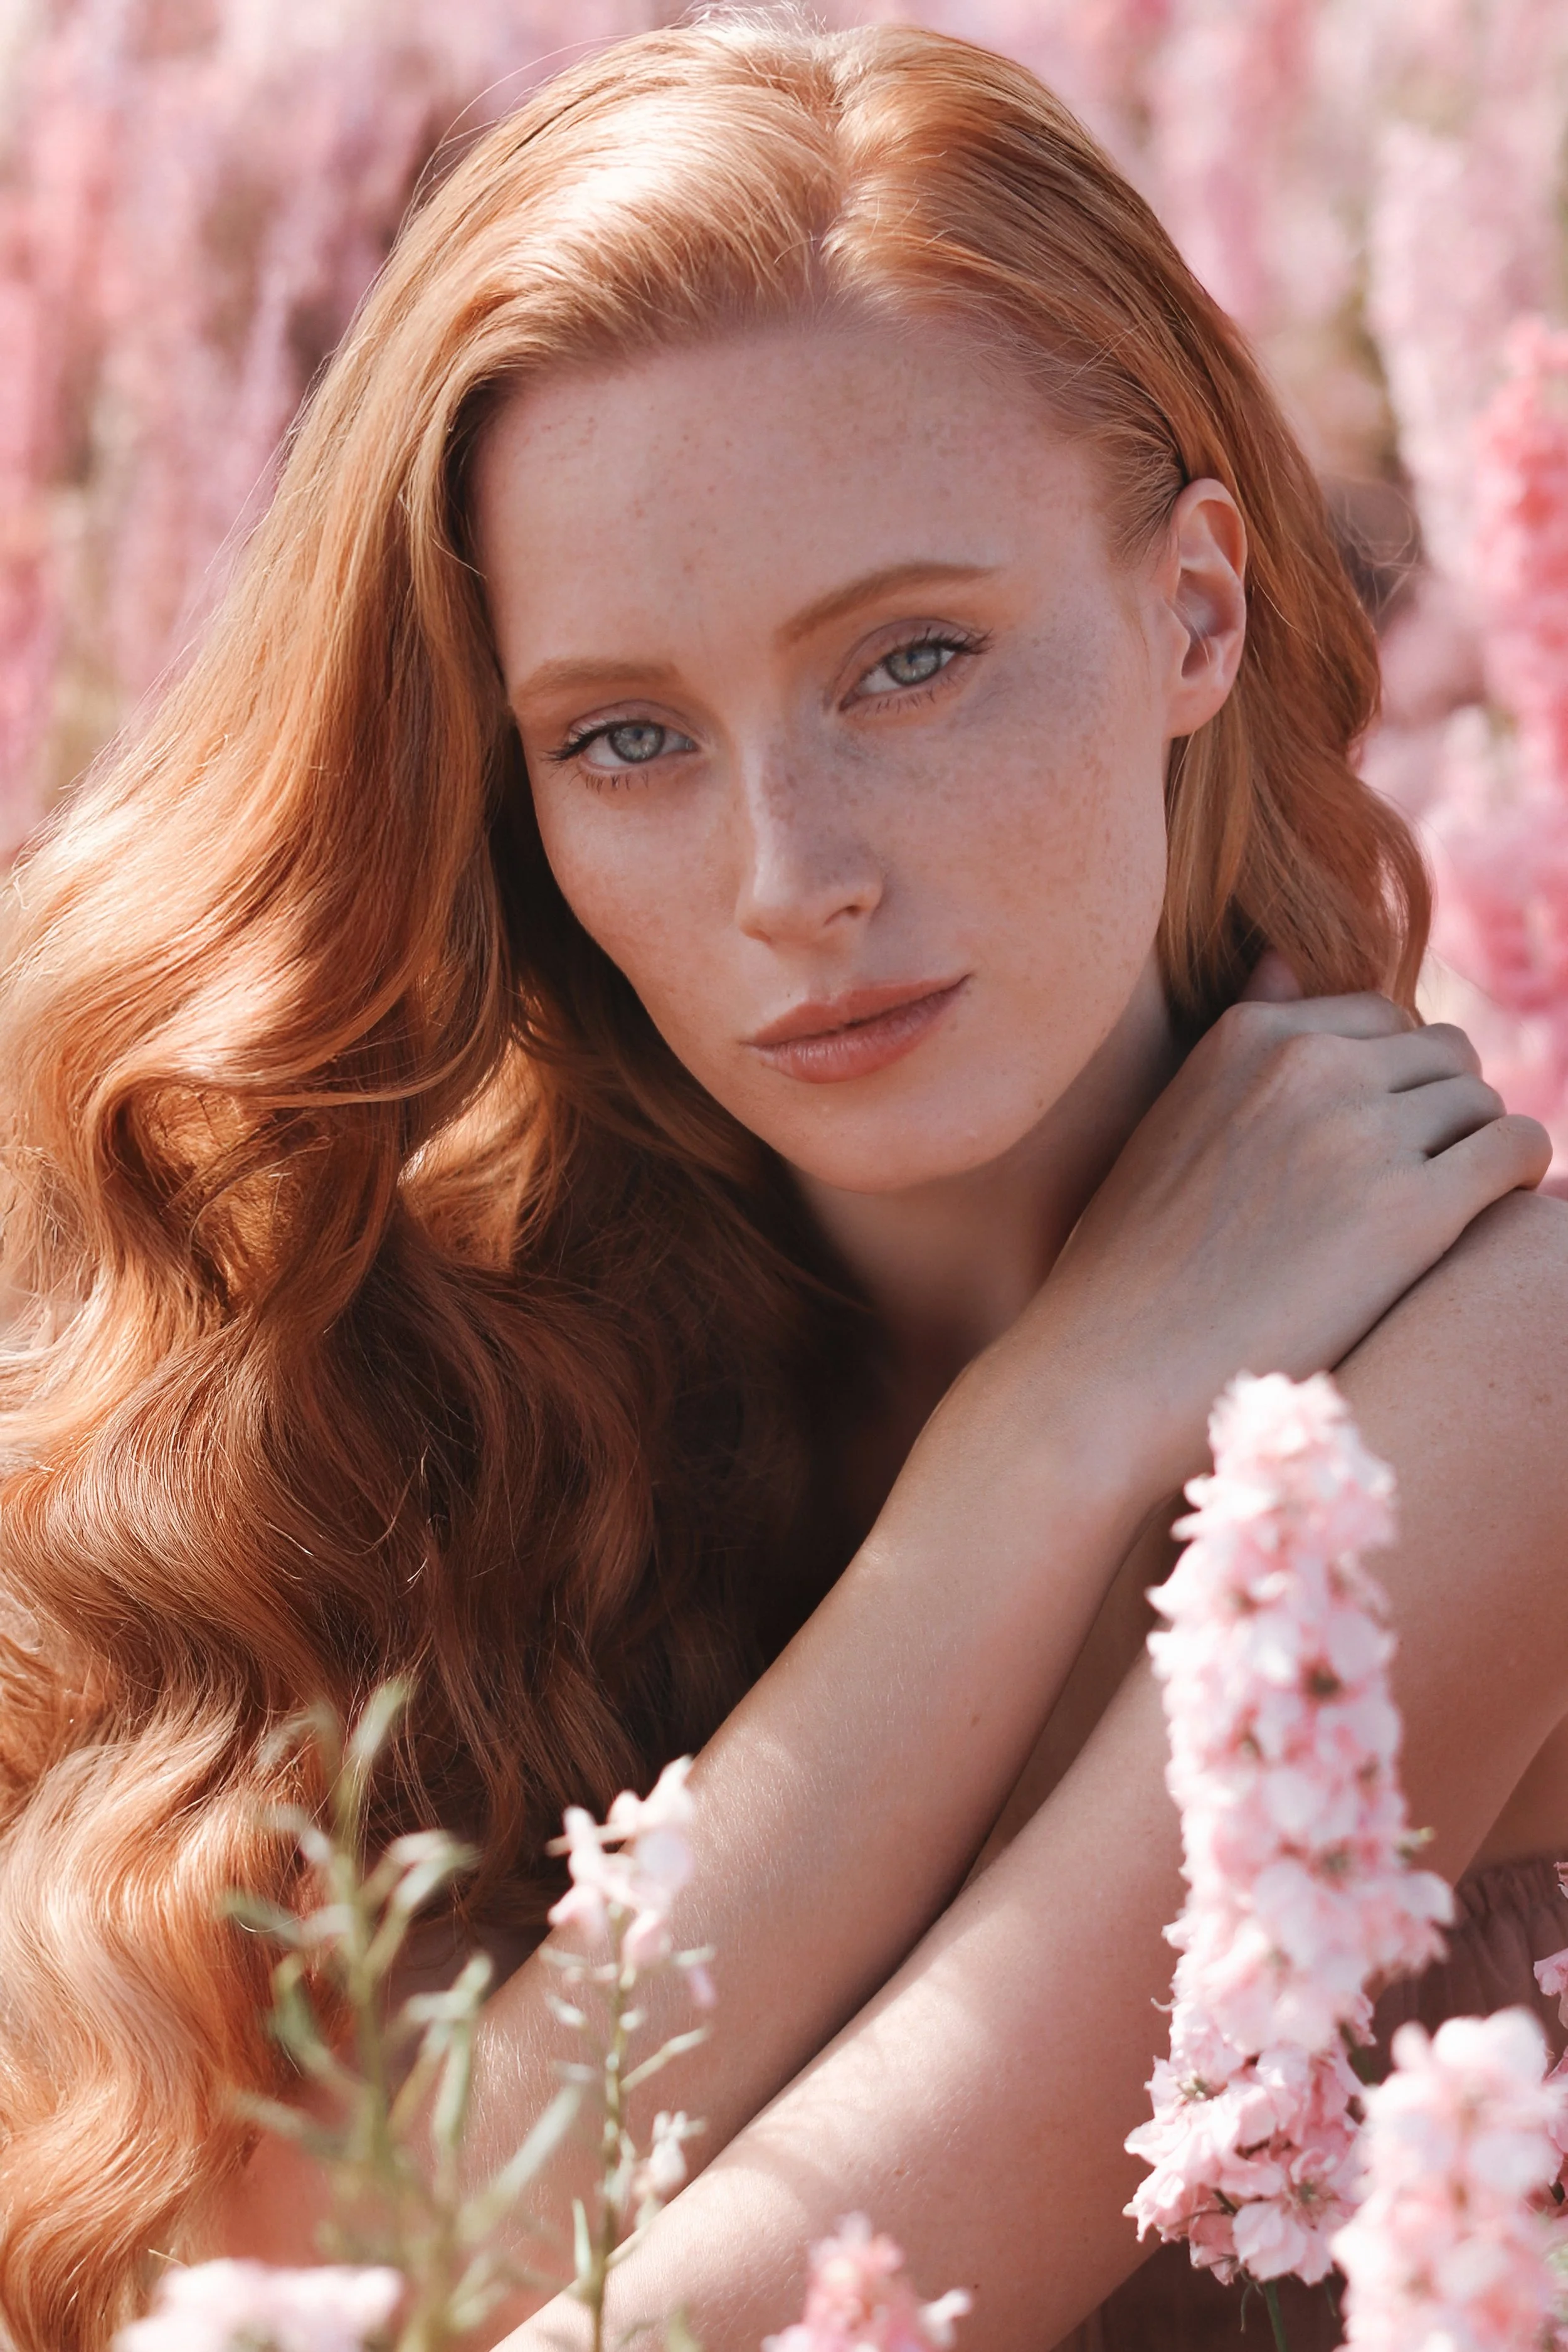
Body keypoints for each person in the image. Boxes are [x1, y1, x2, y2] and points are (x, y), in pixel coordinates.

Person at [1, 16, 1565, 2352]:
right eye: (626, 736)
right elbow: (312, 2288)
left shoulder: (1495, 1379)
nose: (787, 876)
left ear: (1195, 611)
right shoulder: (454, 1382)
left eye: (909, 661)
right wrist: (1043, 1435)